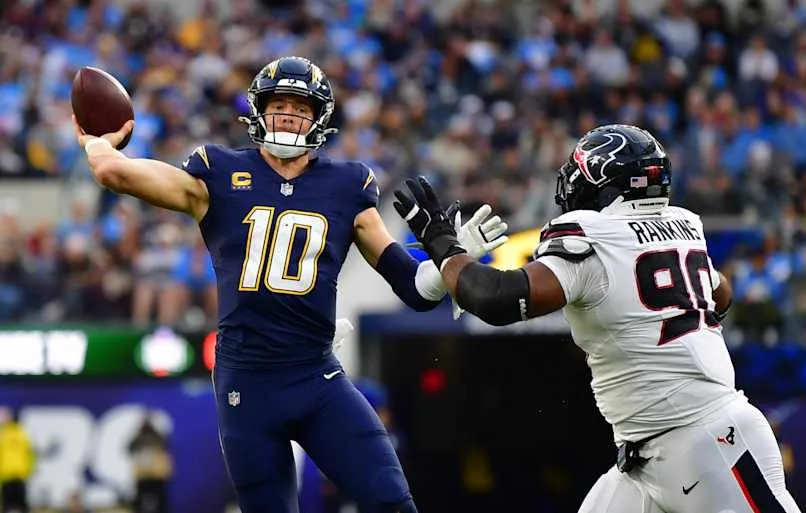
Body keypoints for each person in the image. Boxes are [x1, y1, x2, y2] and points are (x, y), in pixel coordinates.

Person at [72, 56, 507, 513]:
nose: (288, 115)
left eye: (300, 107)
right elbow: (114, 173)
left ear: (318, 118)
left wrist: (449, 259)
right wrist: (98, 143)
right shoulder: (216, 173)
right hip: (247, 381)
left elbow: (414, 289)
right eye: (279, 104)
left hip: (315, 377)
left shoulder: (347, 185)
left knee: (393, 504)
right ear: (259, 111)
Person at [395, 124, 802, 513]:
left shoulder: (593, 237)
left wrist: (441, 241)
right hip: (644, 459)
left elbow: (495, 299)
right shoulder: (683, 227)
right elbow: (721, 293)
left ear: (603, 185)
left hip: (708, 443)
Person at [127, 412, 172, 513]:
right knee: (140, 499)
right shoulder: (138, 438)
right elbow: (129, 448)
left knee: (160, 499)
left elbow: (165, 445)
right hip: (142, 475)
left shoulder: (157, 437)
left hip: (157, 474)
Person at [0, 408, 34, 513]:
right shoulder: (23, 435)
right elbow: (31, 455)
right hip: (20, 476)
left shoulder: (3, 435)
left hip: (7, 476)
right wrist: (28, 471)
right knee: (22, 505)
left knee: (7, 506)